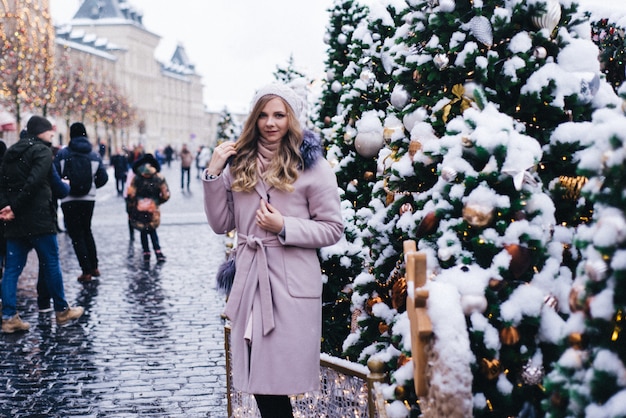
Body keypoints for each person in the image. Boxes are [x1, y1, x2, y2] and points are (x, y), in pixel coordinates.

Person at [202, 83, 343, 418]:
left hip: (291, 286)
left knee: (277, 382)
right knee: (259, 382)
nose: (270, 122)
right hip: (251, 280)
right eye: (263, 115)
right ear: (254, 118)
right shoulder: (239, 164)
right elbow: (222, 223)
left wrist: (285, 226)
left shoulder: (313, 166)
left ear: (291, 118)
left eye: (279, 114)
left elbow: (333, 228)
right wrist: (213, 172)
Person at [0, 115, 84, 333]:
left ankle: (9, 317)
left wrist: (7, 208)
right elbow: (35, 182)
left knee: (11, 270)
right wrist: (16, 207)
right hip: (39, 220)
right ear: (40, 132)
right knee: (51, 263)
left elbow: (2, 183)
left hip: (15, 223)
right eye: (49, 131)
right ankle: (62, 310)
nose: (52, 134)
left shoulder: (11, 151)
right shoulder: (43, 152)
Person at [54, 122, 109, 283]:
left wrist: (65, 187)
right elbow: (103, 178)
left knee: (76, 235)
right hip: (88, 199)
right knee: (87, 231)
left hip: (68, 199)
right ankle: (94, 266)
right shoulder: (93, 154)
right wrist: (91, 185)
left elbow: (54, 175)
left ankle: (86, 271)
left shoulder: (63, 154)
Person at [127, 153, 170, 263]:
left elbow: (130, 194)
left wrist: (131, 207)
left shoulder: (137, 177)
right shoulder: (159, 177)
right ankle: (158, 252)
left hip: (139, 206)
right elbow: (166, 194)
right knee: (152, 230)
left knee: (143, 230)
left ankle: (146, 253)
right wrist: (157, 202)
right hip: (153, 207)